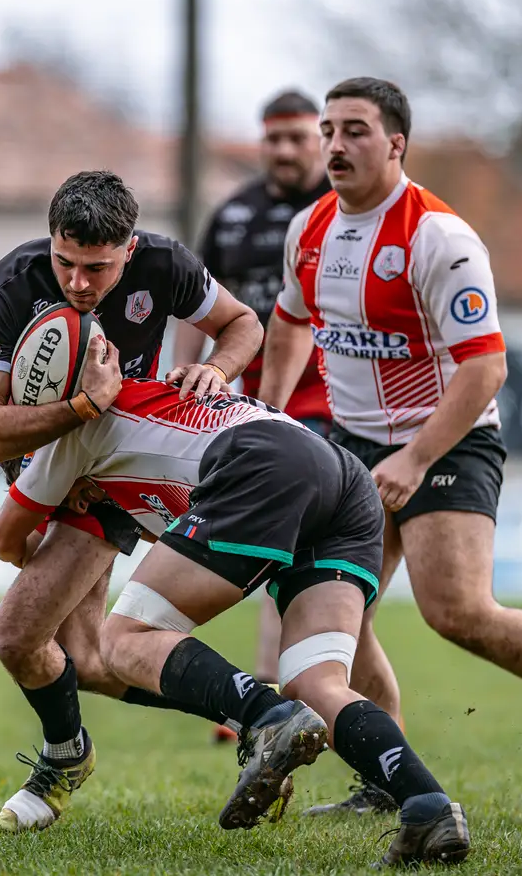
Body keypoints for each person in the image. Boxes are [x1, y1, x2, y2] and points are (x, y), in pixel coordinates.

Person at [259, 76, 522, 822]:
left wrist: (415, 458)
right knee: (332, 613)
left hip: (448, 439)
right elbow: (288, 323)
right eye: (329, 131)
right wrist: (273, 415)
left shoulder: (439, 238)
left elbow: (486, 368)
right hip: (351, 444)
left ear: (396, 144)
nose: (336, 146)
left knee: (457, 610)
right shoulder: (309, 229)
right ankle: (387, 777)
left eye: (355, 131)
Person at [0, 369, 469, 866]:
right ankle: (427, 806)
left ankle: (267, 718)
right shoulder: (138, 439)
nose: (75, 507)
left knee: (125, 638)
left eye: (65, 502)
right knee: (314, 685)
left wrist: (31, 516)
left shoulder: (61, 439)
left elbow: (4, 538)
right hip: (342, 481)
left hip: (262, 463)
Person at [0, 169, 263, 832]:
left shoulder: (164, 264)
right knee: (92, 662)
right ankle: (255, 712)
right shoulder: (7, 288)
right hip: (40, 468)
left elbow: (243, 323)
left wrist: (217, 368)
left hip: (109, 479)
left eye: (96, 268)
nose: (78, 282)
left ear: (129, 249)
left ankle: (64, 758)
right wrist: (82, 405)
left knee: (17, 635)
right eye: (64, 262)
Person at [173, 89, 336, 744]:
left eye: (299, 137)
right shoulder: (234, 215)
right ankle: (267, 691)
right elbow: (195, 304)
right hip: (252, 407)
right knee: (263, 547)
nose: (286, 150)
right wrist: (176, 378)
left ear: (321, 141)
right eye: (275, 138)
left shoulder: (342, 209)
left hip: (331, 406)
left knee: (289, 550)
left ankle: (270, 689)